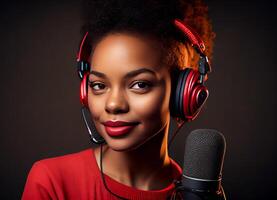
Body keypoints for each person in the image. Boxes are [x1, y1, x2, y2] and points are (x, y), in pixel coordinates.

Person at [22, 0, 215, 199]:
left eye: (140, 84)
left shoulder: (196, 196)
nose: (113, 104)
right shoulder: (51, 181)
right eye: (99, 85)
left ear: (182, 93)